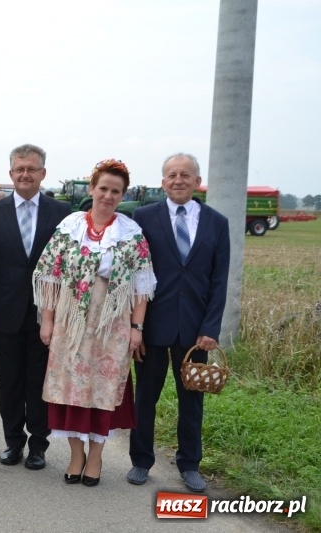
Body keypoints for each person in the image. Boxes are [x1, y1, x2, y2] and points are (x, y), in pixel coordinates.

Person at [33, 159, 156, 487]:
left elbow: (142, 286)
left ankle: (97, 456)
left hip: (112, 323)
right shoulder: (70, 226)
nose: (108, 196)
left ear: (122, 195)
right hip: (70, 321)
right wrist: (46, 321)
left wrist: (136, 328)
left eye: (116, 191)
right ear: (92, 189)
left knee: (102, 389)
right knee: (70, 387)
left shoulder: (130, 234)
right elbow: (49, 276)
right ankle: (76, 455)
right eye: (103, 188)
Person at [128, 153, 230, 493]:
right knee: (146, 397)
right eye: (172, 174)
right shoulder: (142, 218)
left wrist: (210, 329)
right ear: (162, 181)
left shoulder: (217, 222)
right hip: (152, 328)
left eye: (186, 174)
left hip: (195, 334)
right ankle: (141, 461)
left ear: (197, 181)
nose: (178, 180)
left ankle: (189, 465)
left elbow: (218, 282)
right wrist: (135, 328)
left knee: (192, 402)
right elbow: (133, 277)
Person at [0, 144, 71, 470]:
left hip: (48, 313)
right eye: (19, 169)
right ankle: (13, 442)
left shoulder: (63, 213)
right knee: (10, 381)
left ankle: (39, 446)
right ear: (11, 174)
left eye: (32, 169)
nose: (25, 174)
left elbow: (69, 266)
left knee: (40, 382)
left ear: (43, 173)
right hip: (4, 313)